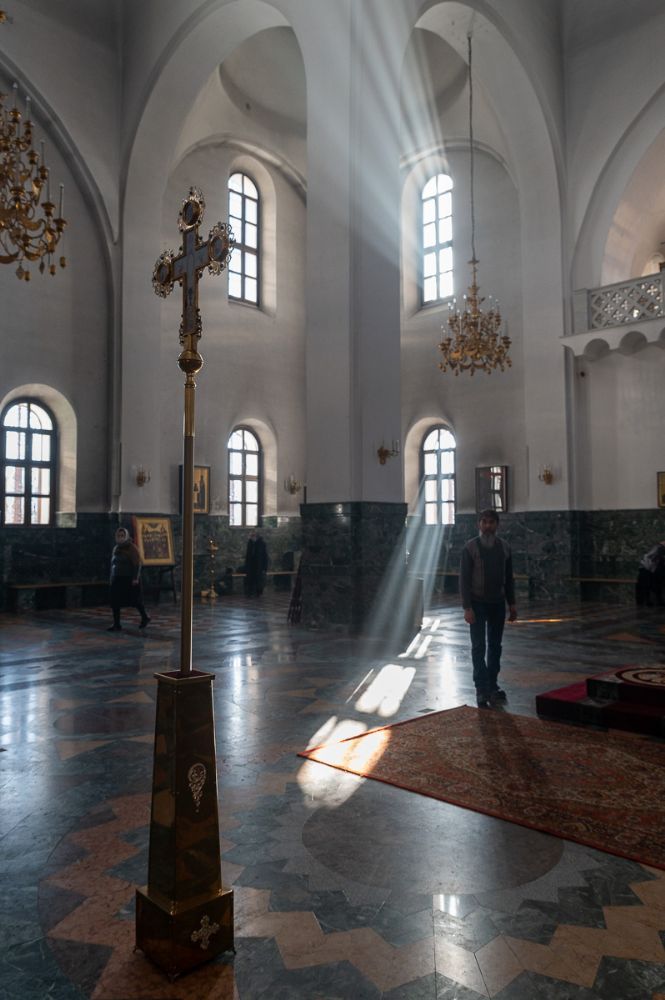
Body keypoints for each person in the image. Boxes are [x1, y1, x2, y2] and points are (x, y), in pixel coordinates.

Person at [460, 508, 517, 707]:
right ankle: (481, 688)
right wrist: (467, 607)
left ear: (497, 525)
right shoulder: (470, 548)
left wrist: (512, 603)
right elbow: (464, 580)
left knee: (495, 646)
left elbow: (508, 578)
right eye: (484, 522)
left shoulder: (505, 548)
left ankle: (493, 685)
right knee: (478, 646)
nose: (487, 526)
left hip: (497, 603)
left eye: (491, 522)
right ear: (479, 524)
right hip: (477, 603)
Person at [108, 527, 150, 630]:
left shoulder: (132, 548)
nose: (120, 537)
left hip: (129, 579)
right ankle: (116, 624)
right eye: (119, 535)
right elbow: (113, 564)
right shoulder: (116, 548)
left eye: (122, 535)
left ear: (126, 536)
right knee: (115, 602)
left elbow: (137, 564)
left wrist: (135, 578)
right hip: (117, 579)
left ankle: (145, 617)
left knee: (135, 601)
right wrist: (111, 577)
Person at [635, 542, 665, 606]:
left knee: (651, 585)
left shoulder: (658, 550)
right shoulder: (658, 549)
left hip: (650, 569)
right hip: (647, 569)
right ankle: (647, 601)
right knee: (646, 586)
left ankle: (650, 601)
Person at [244, 529, 268, 596]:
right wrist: (246, 565)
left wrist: (265, 567)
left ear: (256, 536)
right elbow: (248, 555)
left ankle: (258, 592)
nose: (252, 537)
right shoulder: (250, 543)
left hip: (259, 564)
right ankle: (250, 592)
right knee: (250, 578)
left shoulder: (262, 543)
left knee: (258, 579)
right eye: (251, 536)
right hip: (251, 564)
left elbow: (264, 556)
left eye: (253, 536)